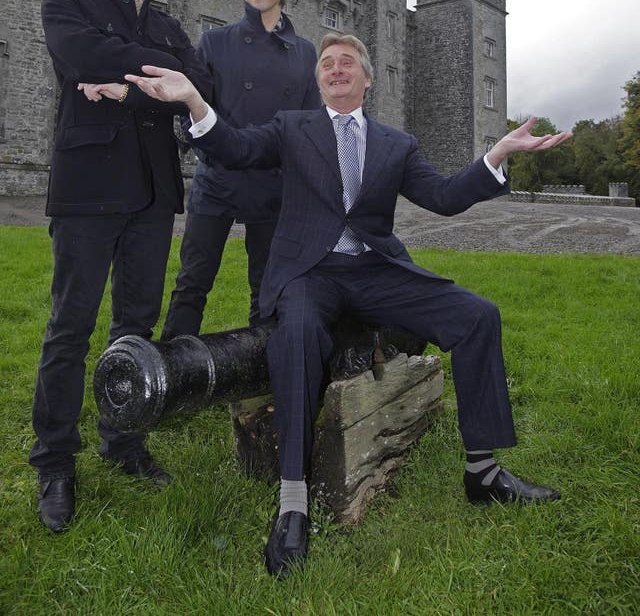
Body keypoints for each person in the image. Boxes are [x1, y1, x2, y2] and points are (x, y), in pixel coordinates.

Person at [125, 34, 571, 577]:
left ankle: (482, 472)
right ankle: (293, 501)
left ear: (366, 79)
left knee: (478, 316)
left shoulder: (396, 143)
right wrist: (194, 102)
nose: (336, 70)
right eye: (327, 65)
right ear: (320, 81)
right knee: (295, 336)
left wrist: (496, 155)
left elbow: (446, 198)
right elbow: (237, 149)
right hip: (310, 271)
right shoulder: (293, 128)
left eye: (347, 64)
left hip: (376, 270)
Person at [31, 0, 212, 533]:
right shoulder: (67, 5)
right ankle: (55, 461)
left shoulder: (166, 25)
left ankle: (123, 440)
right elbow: (86, 57)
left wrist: (130, 88)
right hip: (86, 194)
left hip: (153, 197)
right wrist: (164, 84)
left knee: (135, 326)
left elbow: (201, 86)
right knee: (70, 328)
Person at [161, 0, 320, 339]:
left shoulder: (305, 53)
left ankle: (265, 380)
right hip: (218, 178)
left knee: (266, 292)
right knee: (192, 283)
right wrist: (210, 152)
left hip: (273, 184)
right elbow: (192, 109)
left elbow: (309, 124)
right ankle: (172, 379)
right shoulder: (215, 42)